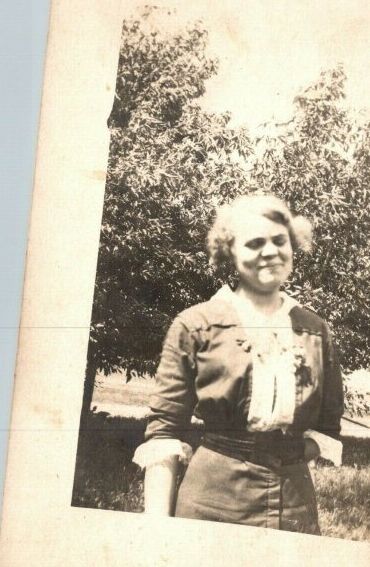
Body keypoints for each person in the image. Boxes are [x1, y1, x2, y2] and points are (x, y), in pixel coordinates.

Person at [133, 193, 343, 535]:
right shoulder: (195, 324)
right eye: (255, 243)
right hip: (211, 502)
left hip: (294, 508)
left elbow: (328, 424)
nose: (271, 251)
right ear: (229, 251)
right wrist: (156, 531)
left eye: (280, 240)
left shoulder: (315, 330)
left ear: (293, 246)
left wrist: (286, 455)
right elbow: (164, 431)